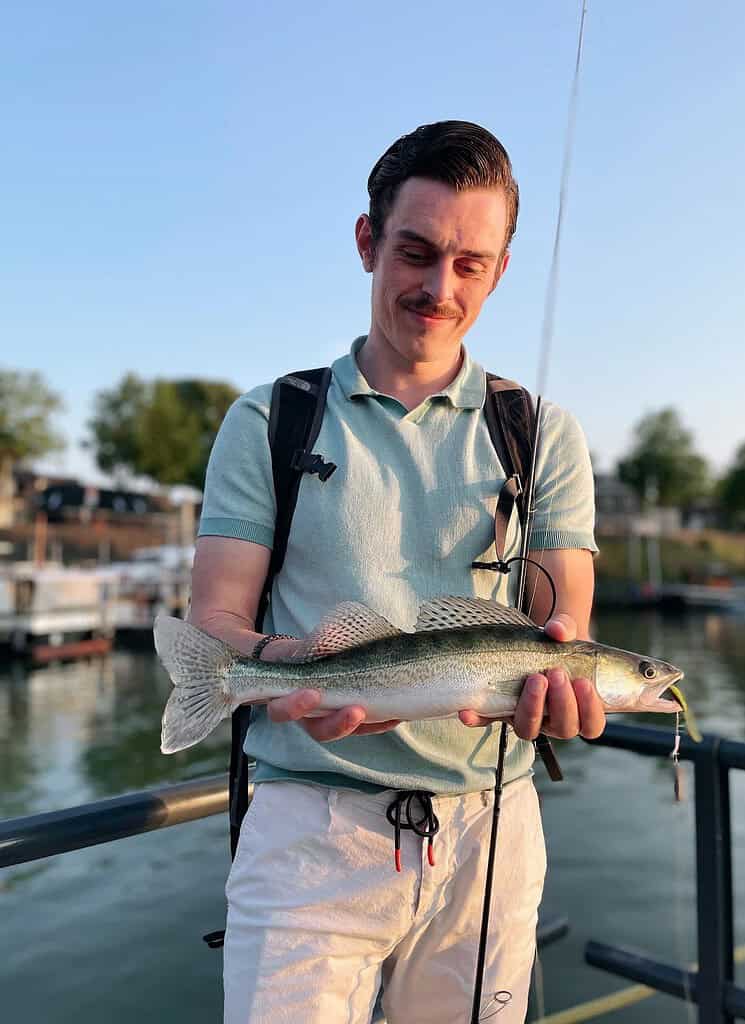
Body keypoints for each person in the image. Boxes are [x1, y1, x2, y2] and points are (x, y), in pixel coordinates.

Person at [191, 120, 605, 1024]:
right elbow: (213, 617)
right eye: (415, 251)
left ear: (498, 271)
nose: (438, 286)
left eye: (470, 263)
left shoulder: (544, 434)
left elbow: (562, 616)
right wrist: (282, 660)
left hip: (491, 832)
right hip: (308, 828)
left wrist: (560, 681)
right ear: (367, 242)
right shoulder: (272, 420)